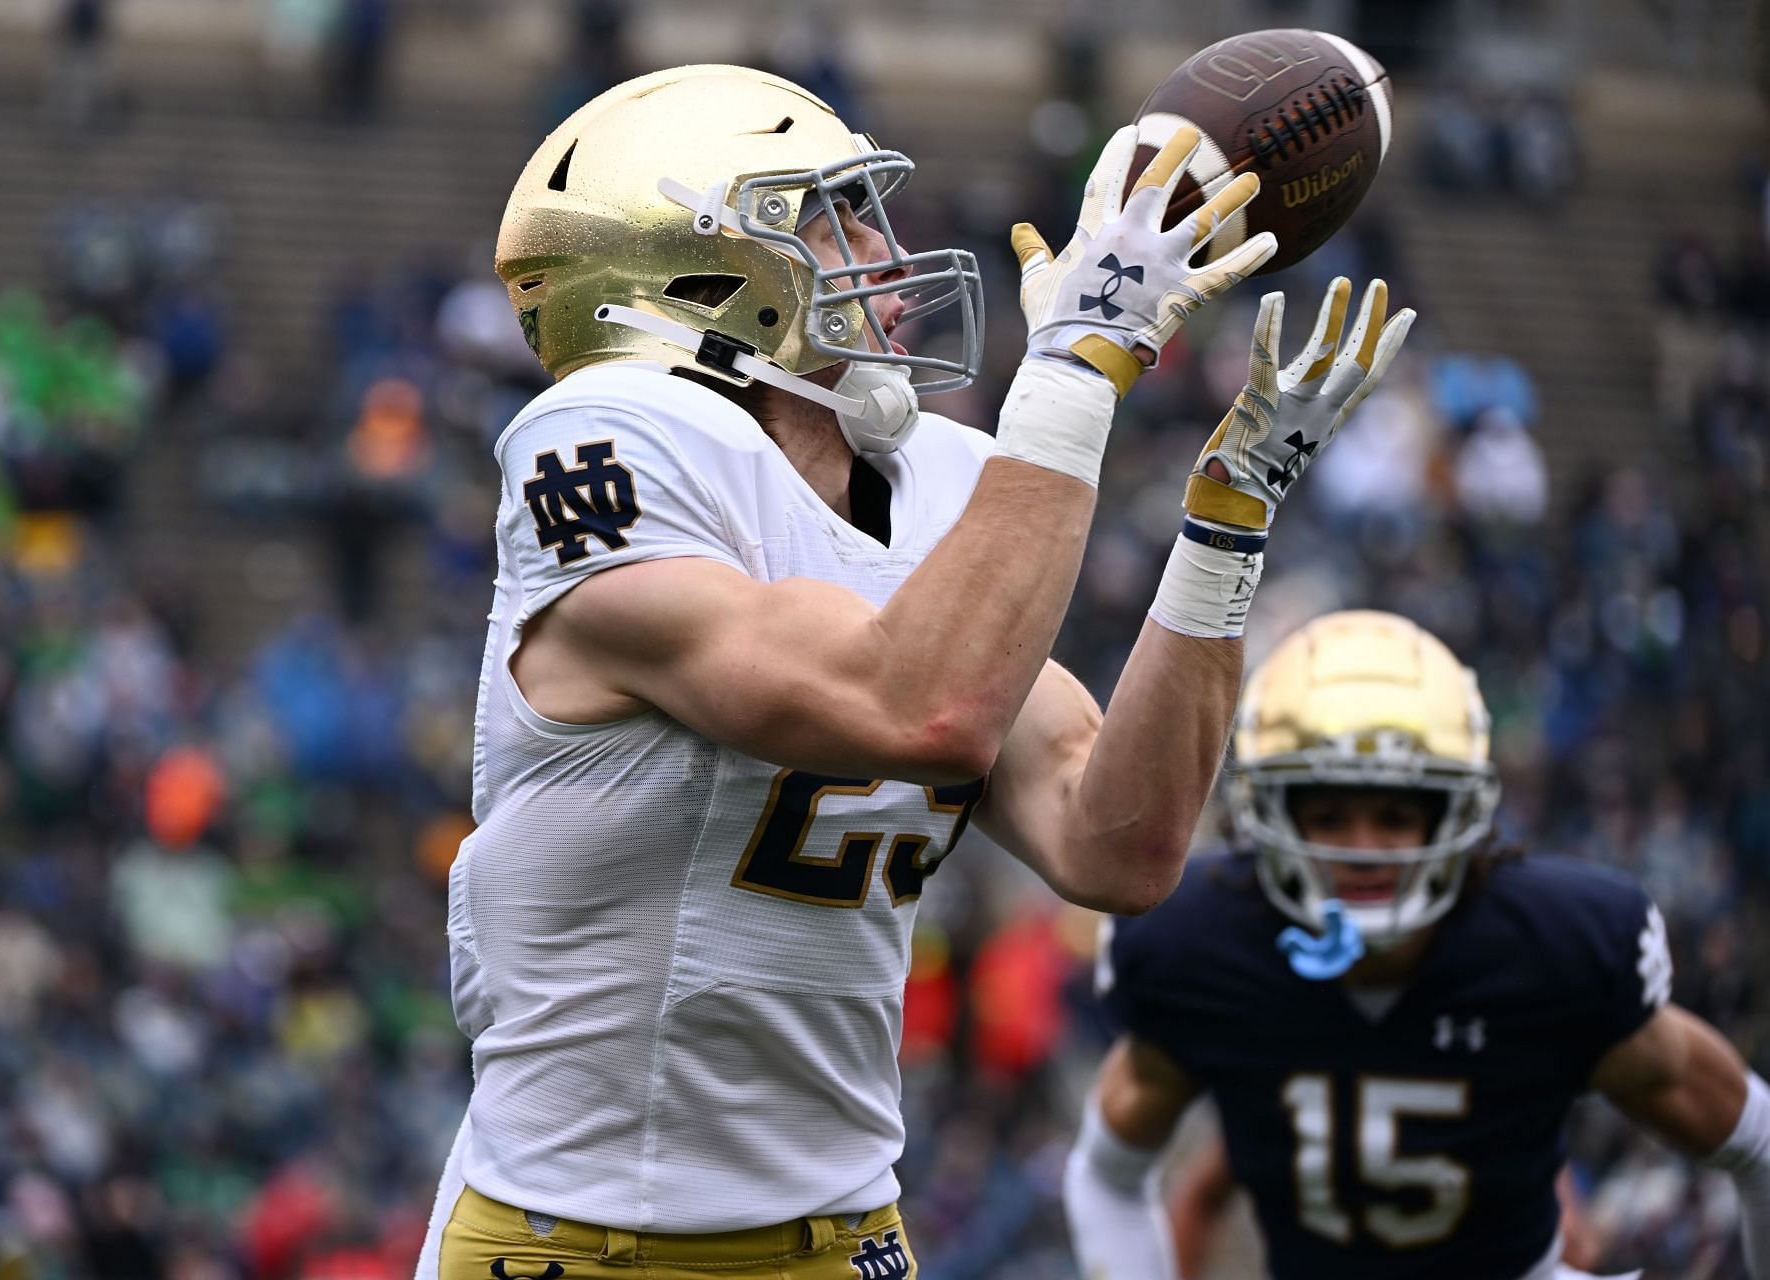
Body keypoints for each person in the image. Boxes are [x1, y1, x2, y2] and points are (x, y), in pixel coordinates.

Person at [419, 64, 1412, 1280]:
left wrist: (1228, 517)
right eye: (828, 218)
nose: (885, 256)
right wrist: (1076, 368)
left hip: (850, 1230)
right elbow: (914, 706)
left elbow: (1118, 839)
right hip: (578, 1236)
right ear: (696, 276)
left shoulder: (938, 477)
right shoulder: (609, 443)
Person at [1065, 609, 1770, 1280]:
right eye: (1329, 815)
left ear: (1459, 812)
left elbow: (1757, 1139)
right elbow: (1105, 1175)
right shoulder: (1200, 946)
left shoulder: (1555, 946)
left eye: (1397, 814)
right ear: (1265, 815)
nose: (1365, 850)